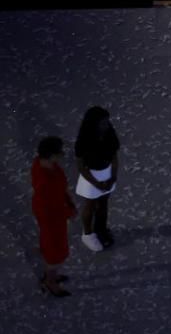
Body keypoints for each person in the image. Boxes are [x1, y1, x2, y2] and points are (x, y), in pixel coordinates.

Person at [31, 136, 76, 297]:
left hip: (53, 213)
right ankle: (50, 282)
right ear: (51, 155)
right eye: (59, 153)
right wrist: (69, 212)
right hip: (51, 218)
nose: (62, 155)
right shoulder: (45, 181)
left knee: (52, 247)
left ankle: (50, 275)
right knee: (55, 251)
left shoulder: (44, 165)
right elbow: (50, 210)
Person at [75, 106, 120, 252]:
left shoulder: (110, 135)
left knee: (103, 204)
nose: (106, 124)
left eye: (107, 121)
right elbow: (81, 167)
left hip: (106, 173)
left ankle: (101, 229)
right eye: (103, 122)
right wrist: (97, 184)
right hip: (91, 176)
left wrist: (112, 177)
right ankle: (87, 234)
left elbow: (114, 157)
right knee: (90, 205)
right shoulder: (83, 141)